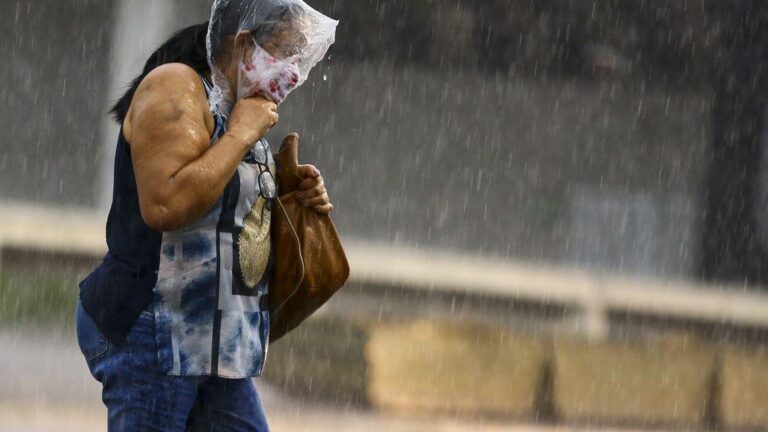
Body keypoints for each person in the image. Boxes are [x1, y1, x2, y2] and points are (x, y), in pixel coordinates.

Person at [74, 1, 337, 430]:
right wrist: (239, 135)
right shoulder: (174, 85)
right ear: (244, 43)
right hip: (157, 335)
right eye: (285, 52)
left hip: (219, 347)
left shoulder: (236, 101)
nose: (292, 71)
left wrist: (288, 193)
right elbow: (166, 205)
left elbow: (221, 201)